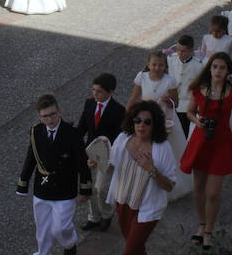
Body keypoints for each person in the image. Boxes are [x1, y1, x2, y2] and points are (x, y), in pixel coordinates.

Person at [180, 52, 232, 250]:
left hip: (221, 144)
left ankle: (209, 231)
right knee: (198, 188)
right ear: (209, 68)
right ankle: (202, 225)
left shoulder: (230, 92)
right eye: (215, 67)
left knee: (213, 193)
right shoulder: (200, 89)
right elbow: (189, 112)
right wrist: (198, 121)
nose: (218, 71)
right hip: (201, 141)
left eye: (222, 68)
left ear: (227, 70)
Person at [16, 94, 92, 255]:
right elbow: (31, 158)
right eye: (45, 116)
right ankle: (43, 252)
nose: (49, 120)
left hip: (65, 189)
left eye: (52, 114)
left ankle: (70, 244)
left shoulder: (72, 133)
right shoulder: (36, 131)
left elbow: (82, 162)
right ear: (40, 117)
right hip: (42, 188)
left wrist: (85, 188)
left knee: (60, 228)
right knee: (42, 227)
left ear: (59, 111)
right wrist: (23, 183)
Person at [104, 101, 178, 255]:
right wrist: (96, 161)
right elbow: (110, 165)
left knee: (130, 251)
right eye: (137, 120)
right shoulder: (123, 138)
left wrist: (152, 170)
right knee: (137, 249)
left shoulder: (162, 148)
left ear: (155, 125)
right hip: (122, 203)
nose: (141, 125)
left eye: (147, 122)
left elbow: (170, 186)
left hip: (147, 209)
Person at [128, 51, 191, 202]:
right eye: (154, 64)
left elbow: (175, 102)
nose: (157, 68)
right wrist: (128, 115)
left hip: (165, 118)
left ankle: (168, 183)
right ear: (148, 65)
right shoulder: (142, 77)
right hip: (145, 119)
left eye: (160, 65)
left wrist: (168, 100)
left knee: (167, 151)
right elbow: (134, 97)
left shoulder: (170, 81)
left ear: (165, 66)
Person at [76, 73, 126, 232]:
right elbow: (82, 127)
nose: (95, 94)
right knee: (89, 186)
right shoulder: (89, 104)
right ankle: (94, 217)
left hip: (107, 154)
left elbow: (118, 138)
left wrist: (101, 157)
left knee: (101, 188)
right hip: (89, 150)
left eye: (99, 92)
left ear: (110, 92)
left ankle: (106, 215)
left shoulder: (118, 110)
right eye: (93, 90)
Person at [166, 35, 204, 136]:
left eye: (183, 51)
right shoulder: (171, 60)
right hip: (171, 103)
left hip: (187, 106)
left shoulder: (199, 65)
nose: (179, 53)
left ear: (191, 51)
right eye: (178, 50)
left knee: (184, 133)